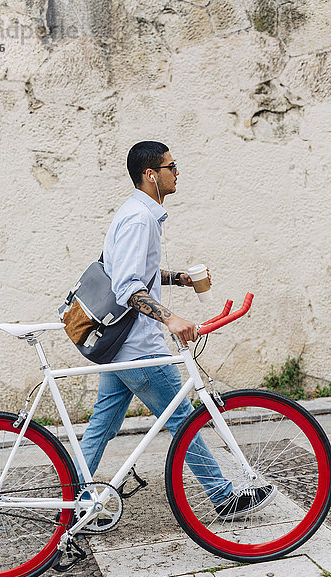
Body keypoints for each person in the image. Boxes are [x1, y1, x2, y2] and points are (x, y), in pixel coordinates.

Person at [77, 141, 275, 519]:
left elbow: (129, 272)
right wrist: (170, 318)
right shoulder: (141, 219)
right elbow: (127, 287)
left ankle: (76, 500)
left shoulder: (135, 212)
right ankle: (221, 496)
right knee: (184, 420)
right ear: (151, 175)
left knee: (102, 424)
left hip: (122, 349)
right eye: (171, 166)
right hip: (139, 347)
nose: (177, 171)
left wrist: (177, 278)